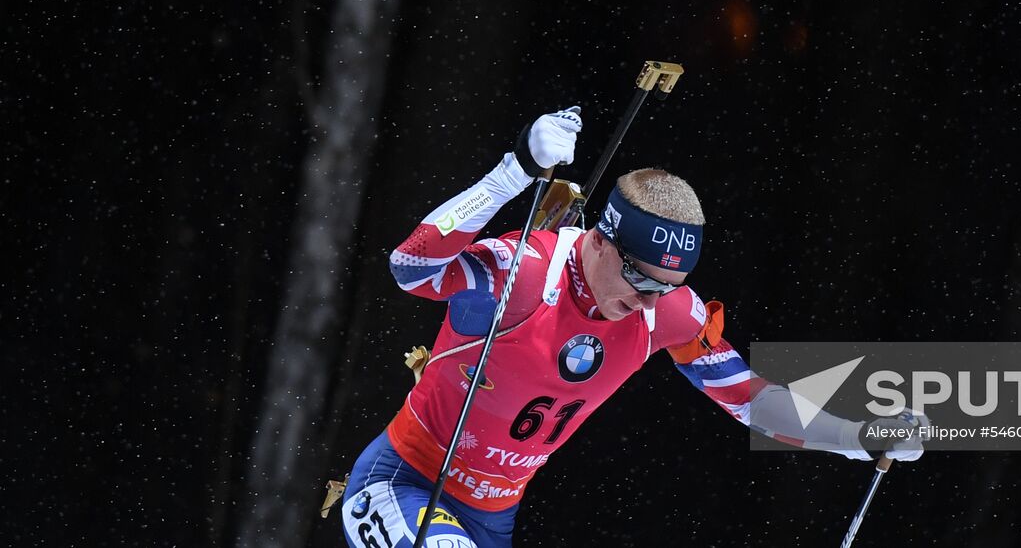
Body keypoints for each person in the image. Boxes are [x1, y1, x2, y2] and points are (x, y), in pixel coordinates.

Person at [341, 108, 924, 548]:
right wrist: (514, 171)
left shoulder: (663, 312)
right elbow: (412, 268)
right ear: (598, 241)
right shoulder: (524, 273)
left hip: (493, 518)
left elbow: (748, 400)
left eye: (668, 289)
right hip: (405, 482)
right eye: (640, 282)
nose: (648, 302)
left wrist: (851, 436)